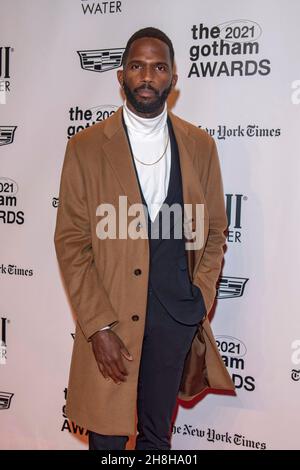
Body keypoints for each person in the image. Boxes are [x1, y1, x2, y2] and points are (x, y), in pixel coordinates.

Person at [54, 27, 235, 451]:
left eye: (159, 67)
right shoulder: (85, 148)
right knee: (107, 438)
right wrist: (97, 326)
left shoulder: (201, 146)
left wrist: (200, 297)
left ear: (173, 79)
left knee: (157, 436)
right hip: (111, 318)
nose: (148, 76)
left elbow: (214, 231)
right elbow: (71, 242)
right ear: (121, 76)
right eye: (137, 66)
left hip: (174, 317)